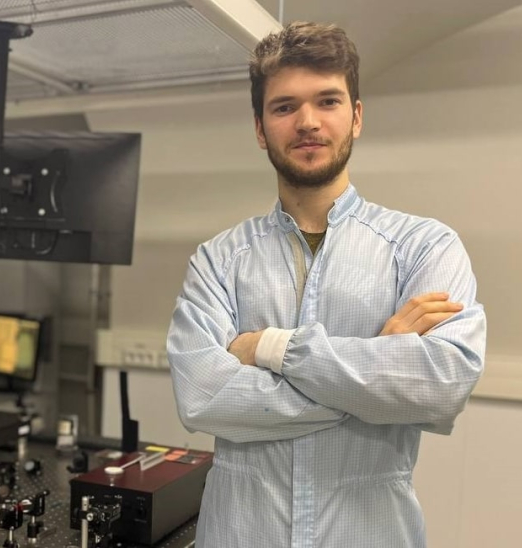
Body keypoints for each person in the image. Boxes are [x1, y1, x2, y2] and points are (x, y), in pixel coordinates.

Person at [167, 21, 486, 548]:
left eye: (328, 101)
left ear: (356, 116)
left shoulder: (426, 247)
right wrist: (376, 368)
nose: (307, 122)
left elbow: (440, 385)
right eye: (284, 106)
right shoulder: (217, 261)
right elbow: (202, 397)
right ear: (259, 126)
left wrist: (267, 347)